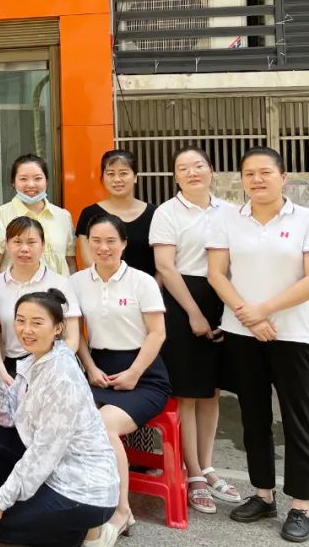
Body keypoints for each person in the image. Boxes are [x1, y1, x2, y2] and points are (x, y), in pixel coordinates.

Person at [207, 146, 309, 541]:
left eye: (265, 172)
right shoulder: (227, 220)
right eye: (249, 173)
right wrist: (247, 316)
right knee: (253, 416)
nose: (256, 179)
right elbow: (217, 273)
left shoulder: (304, 219)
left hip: (294, 332)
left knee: (299, 419)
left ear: (283, 177)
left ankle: (301, 504)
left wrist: (262, 311)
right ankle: (263, 494)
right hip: (241, 333)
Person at [0, 289, 118, 547]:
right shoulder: (35, 360)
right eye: (20, 321)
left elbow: (44, 452)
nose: (26, 330)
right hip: (53, 472)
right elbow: (7, 415)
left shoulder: (62, 377)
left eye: (37, 322)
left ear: (57, 328)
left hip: (83, 491)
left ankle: (92, 533)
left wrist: (1, 500)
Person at [151, 146, 239, 514]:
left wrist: (233, 309)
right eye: (183, 168)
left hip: (222, 299)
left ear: (211, 170)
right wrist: (194, 313)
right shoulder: (166, 212)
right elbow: (165, 267)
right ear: (175, 177)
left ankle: (208, 465)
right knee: (187, 392)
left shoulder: (231, 211)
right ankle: (194, 475)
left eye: (198, 165)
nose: (192, 172)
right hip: (181, 301)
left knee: (212, 390)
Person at [73, 214, 169, 537]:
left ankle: (122, 511)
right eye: (96, 241)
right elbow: (76, 334)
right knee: (72, 418)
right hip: (99, 368)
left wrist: (134, 372)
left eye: (111, 241)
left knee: (104, 424)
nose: (103, 247)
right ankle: (80, 501)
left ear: (124, 244)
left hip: (144, 374)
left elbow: (157, 333)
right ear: (87, 244)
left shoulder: (142, 281)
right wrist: (90, 367)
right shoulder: (77, 282)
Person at [0, 217, 82, 382]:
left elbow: (72, 338)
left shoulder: (60, 283)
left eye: (31, 242)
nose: (24, 249)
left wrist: (51, 368)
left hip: (53, 366)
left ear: (43, 246)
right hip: (11, 368)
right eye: (17, 242)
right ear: (7, 245)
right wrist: (2, 373)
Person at [0, 154, 76, 277]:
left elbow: (70, 263)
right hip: (15, 288)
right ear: (13, 182)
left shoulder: (63, 216)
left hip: (57, 288)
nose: (31, 184)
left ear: (46, 181)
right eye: (23, 179)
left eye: (37, 178)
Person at [76, 149, 156, 276]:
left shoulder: (155, 214)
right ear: (103, 178)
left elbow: (162, 261)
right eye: (110, 174)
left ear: (135, 177)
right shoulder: (89, 214)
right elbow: (88, 261)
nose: (117, 179)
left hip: (146, 287)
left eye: (123, 173)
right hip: (102, 286)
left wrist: (150, 287)